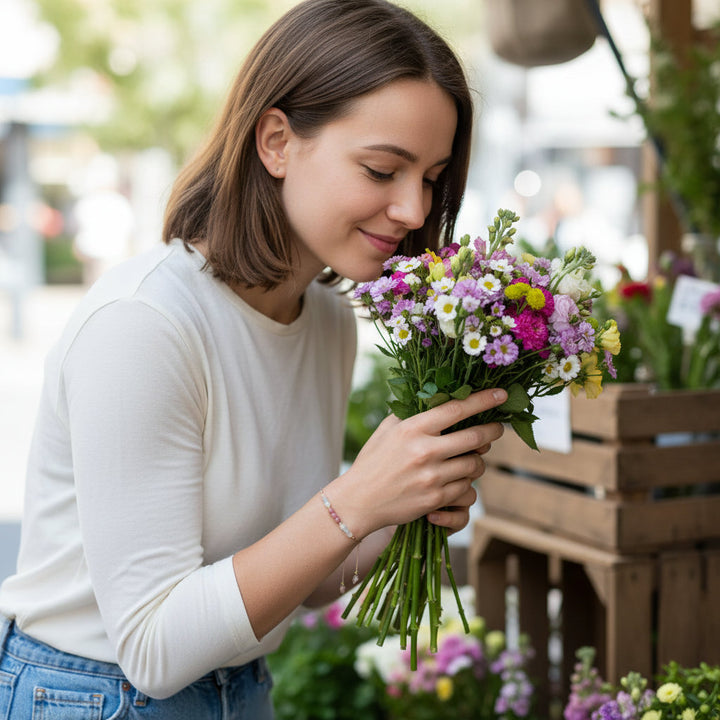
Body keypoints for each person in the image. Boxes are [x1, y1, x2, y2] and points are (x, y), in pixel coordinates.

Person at [0, 1, 506, 717]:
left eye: (431, 177)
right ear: (276, 141)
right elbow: (153, 646)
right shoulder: (143, 326)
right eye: (382, 169)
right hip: (91, 694)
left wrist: (402, 505)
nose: (415, 211)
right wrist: (355, 499)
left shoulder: (326, 319)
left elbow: (299, 580)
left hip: (240, 691)